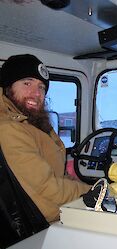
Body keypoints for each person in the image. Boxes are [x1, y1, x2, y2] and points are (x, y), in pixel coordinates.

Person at [0, 54, 91, 223]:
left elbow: (58, 176)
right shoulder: (9, 129)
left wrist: (93, 189)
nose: (36, 94)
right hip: (43, 220)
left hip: (54, 210)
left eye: (41, 87)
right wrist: (95, 191)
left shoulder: (32, 123)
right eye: (27, 83)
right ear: (7, 86)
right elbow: (49, 187)